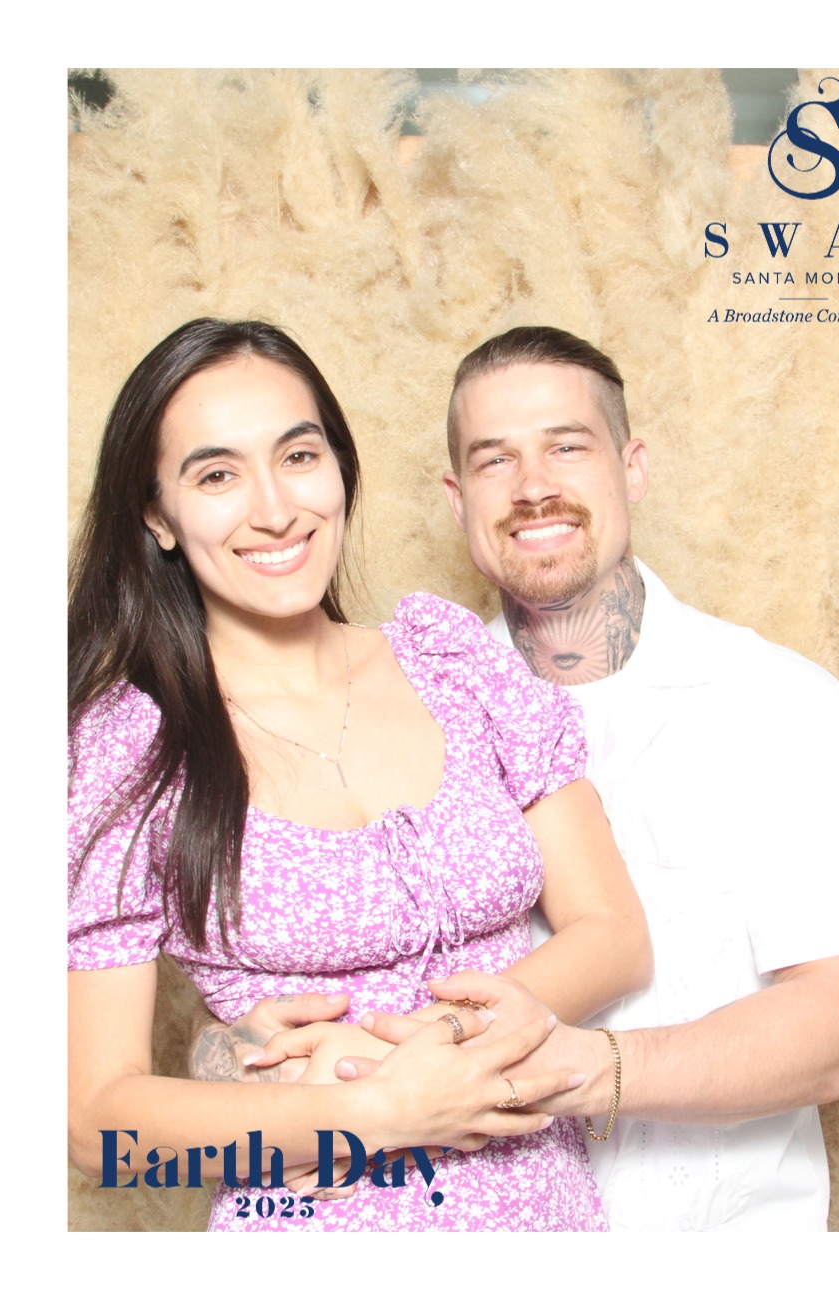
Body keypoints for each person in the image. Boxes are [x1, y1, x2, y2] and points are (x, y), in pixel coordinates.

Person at [210, 325, 839, 1232]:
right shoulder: (403, 703)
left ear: (633, 467)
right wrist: (233, 1060)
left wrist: (581, 1070)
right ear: (455, 497)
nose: (532, 486)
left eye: (567, 447)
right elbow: (278, 977)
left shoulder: (787, 707)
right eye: (494, 459)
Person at [68, 318, 653, 1232]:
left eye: (298, 456)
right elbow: (97, 1123)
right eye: (217, 475)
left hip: (548, 1221)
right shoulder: (128, 752)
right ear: (157, 516)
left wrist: (437, 1043)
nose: (274, 509)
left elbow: (614, 934)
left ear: (340, 468)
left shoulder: (452, 662)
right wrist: (374, 1112)